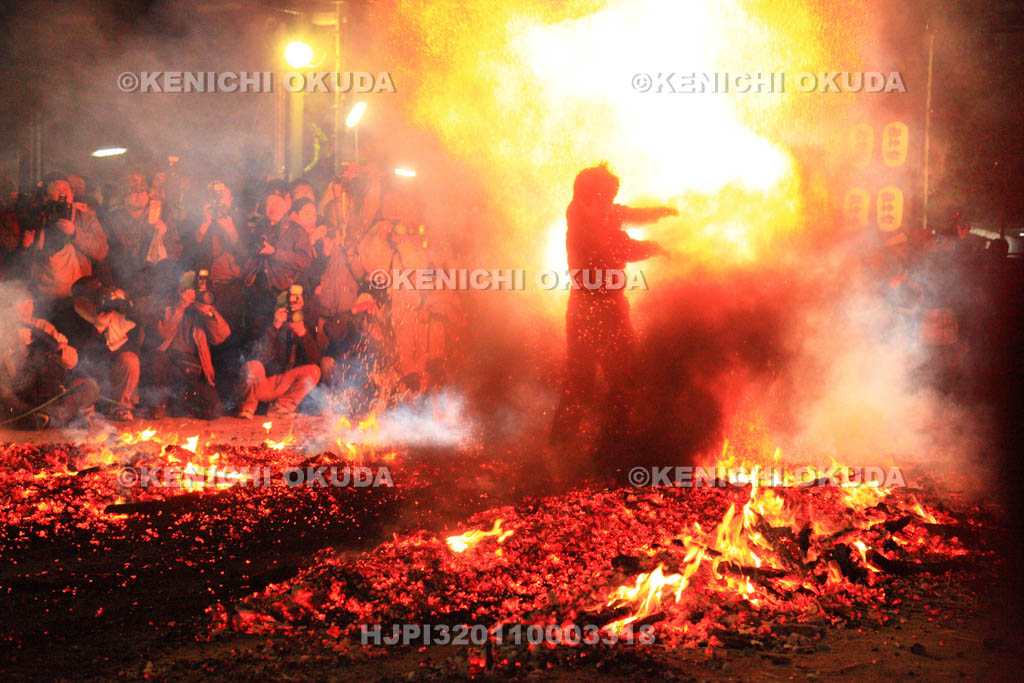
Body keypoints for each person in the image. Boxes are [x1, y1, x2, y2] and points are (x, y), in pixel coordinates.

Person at [550, 163, 675, 447]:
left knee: (606, 382)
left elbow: (628, 213)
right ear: (586, 200)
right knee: (601, 383)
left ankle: (582, 448)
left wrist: (661, 212)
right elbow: (624, 248)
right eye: (604, 200)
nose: (610, 206)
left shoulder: (600, 211)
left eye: (610, 200)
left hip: (604, 309)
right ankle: (594, 449)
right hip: (593, 313)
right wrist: (656, 248)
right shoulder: (583, 229)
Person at [0, 291, 99, 428]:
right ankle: (52, 417)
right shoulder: (3, 328)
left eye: (30, 303)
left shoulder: (43, 326)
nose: (27, 308)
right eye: (21, 302)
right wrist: (17, 345)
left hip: (49, 393)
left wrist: (57, 347)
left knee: (90, 387)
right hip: (21, 394)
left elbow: (71, 362)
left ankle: (46, 418)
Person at [145, 271, 231, 419]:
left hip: (192, 369)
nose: (196, 295)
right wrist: (181, 307)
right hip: (170, 365)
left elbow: (222, 336)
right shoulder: (168, 309)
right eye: (192, 291)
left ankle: (183, 405)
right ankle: (159, 404)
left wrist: (209, 315)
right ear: (181, 292)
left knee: (214, 411)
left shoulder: (201, 310)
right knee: (158, 358)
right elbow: (163, 334)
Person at [56, 277, 143, 421]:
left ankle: (121, 408)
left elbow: (132, 344)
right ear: (80, 301)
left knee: (130, 360)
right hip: (85, 376)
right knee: (84, 387)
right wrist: (98, 328)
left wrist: (123, 304)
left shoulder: (112, 315)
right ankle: (84, 413)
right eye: (92, 299)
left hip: (111, 377)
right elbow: (79, 357)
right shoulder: (68, 318)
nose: (96, 303)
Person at [236, 285, 321, 420]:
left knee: (314, 371)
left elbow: (314, 359)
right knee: (253, 366)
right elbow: (255, 354)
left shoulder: (302, 325)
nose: (290, 315)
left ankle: (280, 407)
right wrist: (274, 326)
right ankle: (247, 407)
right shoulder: (264, 322)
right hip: (263, 382)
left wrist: (302, 334)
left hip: (284, 382)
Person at [242, 182, 314, 339]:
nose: (271, 208)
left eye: (276, 202)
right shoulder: (258, 229)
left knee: (283, 343)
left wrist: (275, 253)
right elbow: (246, 260)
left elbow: (305, 260)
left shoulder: (296, 231)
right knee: (260, 342)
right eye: (268, 203)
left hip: (285, 297)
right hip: (260, 300)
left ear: (286, 203)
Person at [106, 174, 182, 293]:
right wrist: (111, 287)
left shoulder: (162, 216)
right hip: (123, 285)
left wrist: (164, 235)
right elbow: (106, 257)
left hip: (156, 288)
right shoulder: (113, 220)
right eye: (134, 192)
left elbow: (176, 253)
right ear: (124, 196)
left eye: (143, 191)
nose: (140, 195)